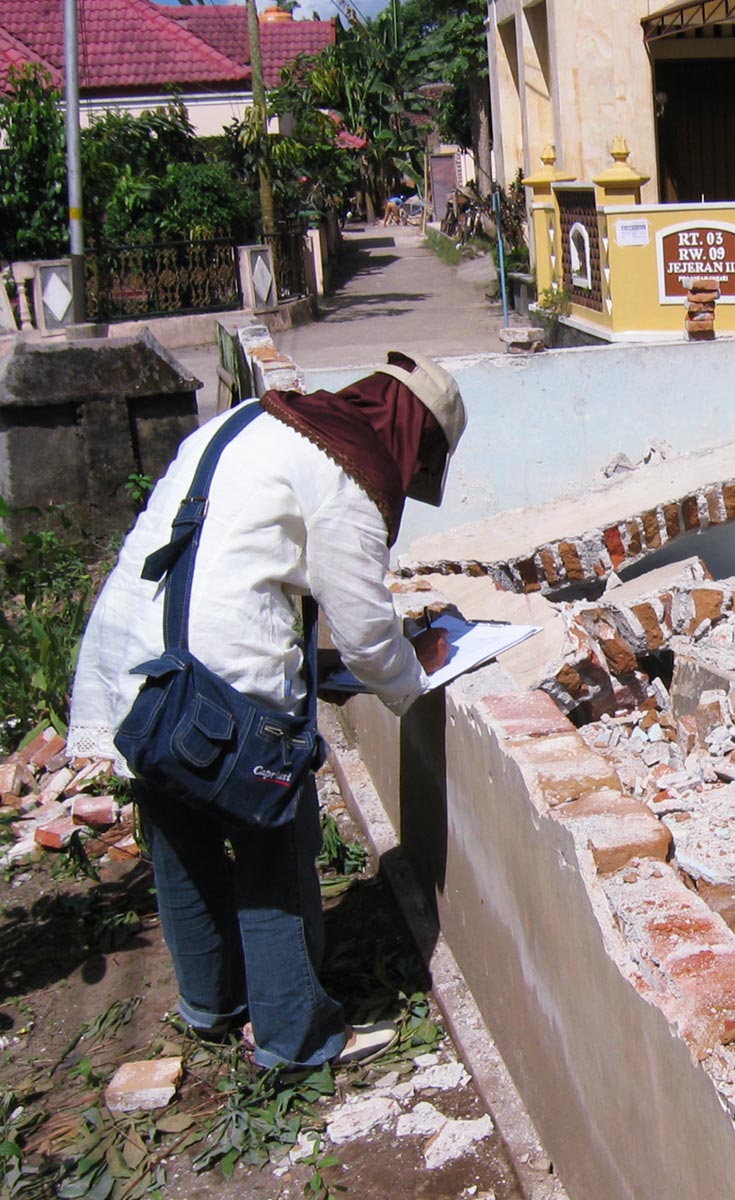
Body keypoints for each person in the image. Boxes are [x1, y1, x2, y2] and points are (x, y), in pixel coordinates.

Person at [67, 352, 466, 1072]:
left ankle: (212, 1004)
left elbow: (227, 562)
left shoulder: (253, 421)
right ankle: (294, 1037)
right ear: (416, 440)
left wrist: (316, 666)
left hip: (135, 659)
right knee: (271, 845)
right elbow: (370, 636)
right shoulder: (349, 472)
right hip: (220, 680)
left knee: (179, 835)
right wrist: (417, 669)